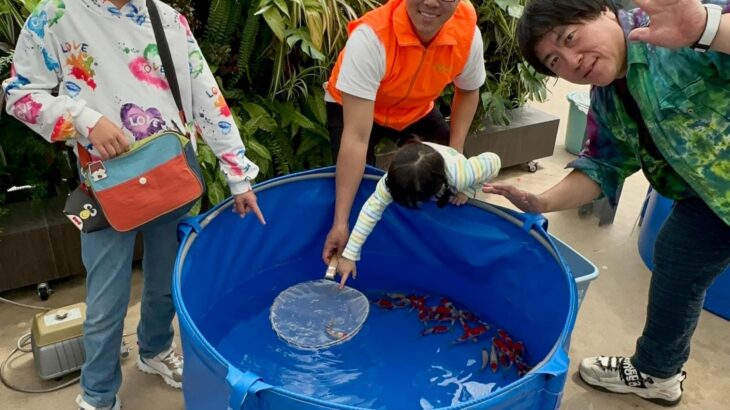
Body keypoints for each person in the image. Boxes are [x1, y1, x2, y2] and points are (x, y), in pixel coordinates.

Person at [1, 1, 266, 409]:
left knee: (165, 283)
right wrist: (84, 119)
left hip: (173, 170)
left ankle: (155, 350)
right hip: (107, 185)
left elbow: (205, 95)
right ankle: (98, 393)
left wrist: (238, 175)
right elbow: (18, 95)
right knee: (106, 303)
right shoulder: (55, 15)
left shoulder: (166, 17)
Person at [483, 0, 730, 406]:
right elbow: (602, 167)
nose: (572, 61)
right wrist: (540, 200)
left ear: (603, 10)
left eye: (569, 38)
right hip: (706, 200)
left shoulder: (677, 26)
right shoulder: (607, 98)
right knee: (677, 260)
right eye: (555, 60)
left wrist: (707, 29)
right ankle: (657, 372)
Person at [321, 0, 488, 266]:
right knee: (351, 181)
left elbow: (468, 90)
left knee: (452, 179)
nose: (431, 3)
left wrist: (455, 154)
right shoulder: (371, 37)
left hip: (416, 109)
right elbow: (356, 138)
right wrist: (341, 222)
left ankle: (435, 250)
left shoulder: (467, 33)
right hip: (355, 106)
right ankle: (346, 233)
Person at [336, 137, 500, 286]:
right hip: (424, 165)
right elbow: (370, 212)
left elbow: (494, 161)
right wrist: (350, 255)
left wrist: (470, 190)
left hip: (451, 169)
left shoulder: (461, 175)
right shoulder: (391, 181)